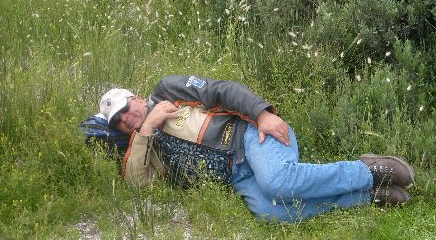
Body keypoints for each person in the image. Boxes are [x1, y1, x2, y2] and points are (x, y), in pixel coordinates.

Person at [99, 75, 415, 222]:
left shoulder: (167, 89)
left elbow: (220, 89)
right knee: (272, 213)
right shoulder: (144, 146)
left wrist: (261, 114)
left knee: (277, 181)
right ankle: (367, 196)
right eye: (119, 121)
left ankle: (369, 170)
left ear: (136, 97)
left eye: (127, 107)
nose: (127, 117)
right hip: (238, 177)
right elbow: (138, 183)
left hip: (251, 137)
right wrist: (148, 128)